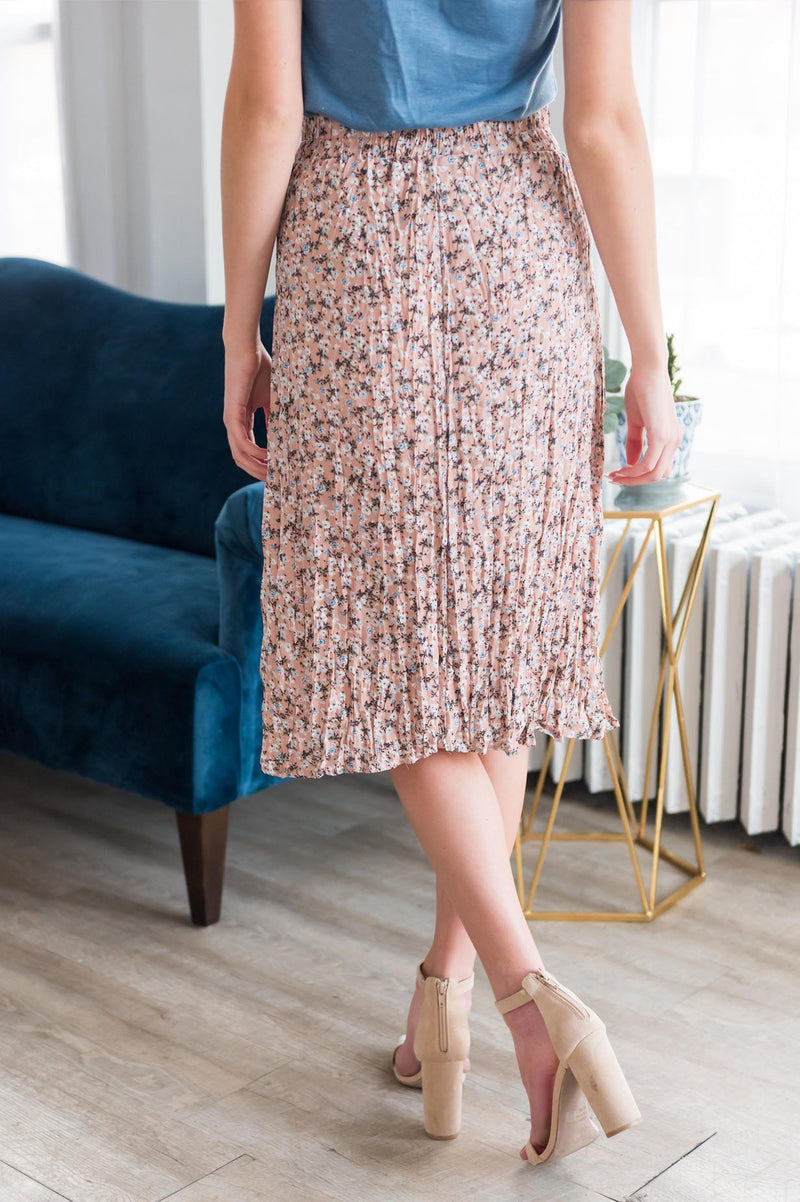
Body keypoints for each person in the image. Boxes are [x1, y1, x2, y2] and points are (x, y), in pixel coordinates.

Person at [220, 0, 680, 1167]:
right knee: (487, 644)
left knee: (390, 648)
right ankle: (445, 998)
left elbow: (269, 107)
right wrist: (645, 351)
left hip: (355, 249)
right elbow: (602, 122)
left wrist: (236, 334)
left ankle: (523, 1000)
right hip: (522, 251)